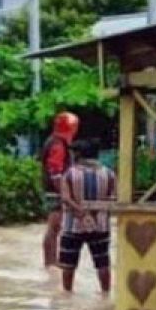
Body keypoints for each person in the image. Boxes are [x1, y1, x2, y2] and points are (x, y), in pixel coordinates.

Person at [58, 138, 116, 293]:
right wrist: (94, 213)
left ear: (78, 154)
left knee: (68, 265)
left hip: (73, 226)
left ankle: (67, 295)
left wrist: (82, 214)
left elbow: (65, 198)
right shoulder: (109, 174)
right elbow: (113, 199)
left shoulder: (70, 173)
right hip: (101, 225)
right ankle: (105, 293)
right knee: (102, 263)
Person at [39, 111, 79, 267]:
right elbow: (55, 171)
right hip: (55, 191)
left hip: (53, 189)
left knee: (54, 228)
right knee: (54, 226)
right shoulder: (58, 144)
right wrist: (64, 193)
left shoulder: (55, 141)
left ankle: (50, 261)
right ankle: (50, 261)